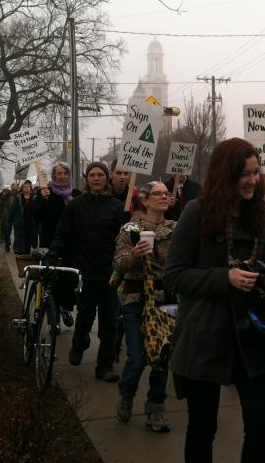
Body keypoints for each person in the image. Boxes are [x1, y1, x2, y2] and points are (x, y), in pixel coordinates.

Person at [164, 138, 265, 463]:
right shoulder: (197, 213)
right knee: (203, 427)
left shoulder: (259, 218)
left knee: (260, 425)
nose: (253, 180)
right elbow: (174, 275)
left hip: (251, 336)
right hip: (205, 335)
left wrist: (263, 281)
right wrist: (223, 278)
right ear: (226, 174)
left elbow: (264, 266)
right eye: (245, 173)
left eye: (256, 173)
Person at [47, 161, 125, 382]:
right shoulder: (76, 205)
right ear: (87, 178)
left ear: (106, 178)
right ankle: (79, 343)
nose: (97, 178)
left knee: (110, 320)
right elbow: (62, 233)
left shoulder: (116, 207)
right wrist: (53, 254)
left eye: (101, 174)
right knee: (85, 316)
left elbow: (124, 238)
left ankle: (105, 366)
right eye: (93, 175)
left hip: (110, 272)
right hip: (85, 272)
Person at [113, 181, 176, 433]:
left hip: (165, 300)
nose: (164, 197)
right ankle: (127, 394)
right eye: (158, 194)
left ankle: (156, 408)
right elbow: (118, 265)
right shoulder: (131, 228)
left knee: (161, 357)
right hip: (135, 299)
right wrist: (135, 254)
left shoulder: (176, 229)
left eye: (166, 194)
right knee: (137, 357)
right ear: (145, 200)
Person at [34, 161, 81, 249]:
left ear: (69, 175)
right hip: (50, 244)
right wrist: (44, 200)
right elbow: (36, 217)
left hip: (73, 245)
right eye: (59, 173)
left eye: (65, 173)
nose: (63, 176)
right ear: (54, 176)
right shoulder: (45, 193)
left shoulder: (77, 195)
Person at [9, 180, 37, 255]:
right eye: (25, 187)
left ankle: (27, 252)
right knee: (20, 238)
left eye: (28, 187)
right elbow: (12, 210)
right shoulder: (18, 198)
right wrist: (10, 220)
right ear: (22, 189)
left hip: (30, 222)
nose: (26, 188)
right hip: (20, 221)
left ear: (31, 188)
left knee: (29, 237)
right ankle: (19, 252)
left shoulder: (34, 198)